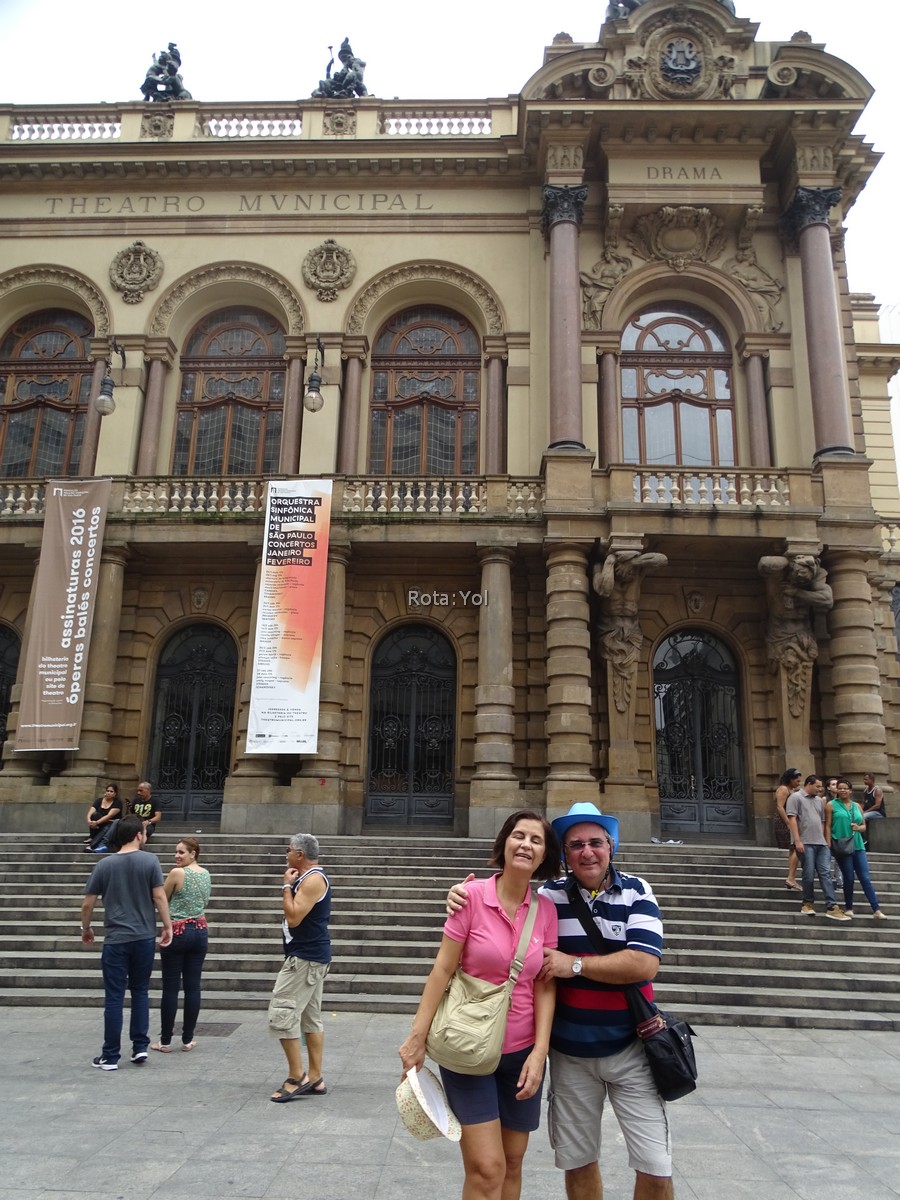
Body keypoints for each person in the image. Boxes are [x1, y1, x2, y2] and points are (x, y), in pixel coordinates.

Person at [449, 801, 673, 1200]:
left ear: (611, 846)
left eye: (596, 843)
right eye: (576, 845)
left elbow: (643, 963)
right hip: (570, 1056)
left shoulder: (637, 890)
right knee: (579, 1163)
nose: (587, 851)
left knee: (656, 1169)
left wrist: (575, 966)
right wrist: (461, 894)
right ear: (565, 855)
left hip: (632, 1050)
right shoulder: (549, 899)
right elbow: (506, 900)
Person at [399, 811, 559, 1200]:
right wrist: (416, 1037)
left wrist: (539, 1054)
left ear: (543, 857)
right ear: (503, 843)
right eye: (518, 835)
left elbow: (545, 986)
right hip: (467, 1047)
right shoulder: (470, 897)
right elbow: (442, 968)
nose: (526, 844)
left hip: (520, 1056)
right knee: (487, 1169)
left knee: (513, 1162)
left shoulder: (547, 911)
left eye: (536, 840)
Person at [80, 815, 173, 1070]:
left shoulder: (104, 865)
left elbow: (88, 902)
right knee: (140, 991)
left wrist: (86, 928)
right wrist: (167, 926)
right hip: (143, 937)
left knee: (114, 996)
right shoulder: (150, 860)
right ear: (138, 835)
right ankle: (140, 1047)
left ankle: (110, 1056)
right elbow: (159, 897)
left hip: (116, 939)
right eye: (143, 831)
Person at [268, 833, 332, 1101]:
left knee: (281, 1014)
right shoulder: (309, 878)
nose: (286, 853)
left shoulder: (313, 879)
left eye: (289, 850)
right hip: (311, 955)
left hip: (305, 958)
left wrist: (285, 886)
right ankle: (315, 1076)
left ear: (300, 855)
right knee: (310, 1017)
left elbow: (293, 918)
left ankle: (298, 1076)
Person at [151, 838, 212, 1052]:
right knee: (193, 987)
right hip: (200, 931)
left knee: (171, 987)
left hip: (178, 931)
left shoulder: (177, 873)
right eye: (176, 852)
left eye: (181, 852)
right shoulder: (205, 874)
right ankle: (187, 1039)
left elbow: (161, 897)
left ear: (193, 853)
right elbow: (204, 902)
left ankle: (165, 1040)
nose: (177, 856)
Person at [785, 775, 851, 921]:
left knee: (825, 873)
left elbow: (822, 822)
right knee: (808, 873)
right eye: (818, 786)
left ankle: (831, 906)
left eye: (821, 787)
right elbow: (792, 820)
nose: (821, 789)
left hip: (820, 843)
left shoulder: (819, 801)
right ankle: (807, 903)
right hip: (805, 842)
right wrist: (797, 841)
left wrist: (825, 841)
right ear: (809, 784)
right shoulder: (795, 797)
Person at [826, 779, 887, 920]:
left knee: (865, 877)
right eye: (840, 788)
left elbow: (864, 826)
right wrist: (828, 843)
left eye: (845, 788)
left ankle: (876, 909)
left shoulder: (857, 806)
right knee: (848, 877)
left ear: (850, 790)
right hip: (841, 845)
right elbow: (827, 825)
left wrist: (858, 828)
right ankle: (849, 907)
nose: (842, 790)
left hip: (858, 844)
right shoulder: (831, 805)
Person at [775, 768, 802, 890]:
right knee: (796, 848)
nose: (798, 782)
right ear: (790, 779)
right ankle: (791, 878)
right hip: (785, 821)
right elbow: (780, 807)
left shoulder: (791, 790)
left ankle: (792, 877)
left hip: (790, 821)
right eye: (796, 780)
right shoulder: (783, 789)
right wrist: (787, 822)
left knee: (793, 850)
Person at [84, 783, 123, 852]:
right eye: (107, 791)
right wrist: (89, 821)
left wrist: (96, 822)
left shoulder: (117, 803)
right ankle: (92, 836)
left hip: (112, 826)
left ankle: (91, 846)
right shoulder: (99, 801)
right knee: (95, 815)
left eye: (111, 791)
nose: (109, 793)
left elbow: (109, 816)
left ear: (115, 793)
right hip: (98, 825)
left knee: (106, 828)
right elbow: (90, 812)